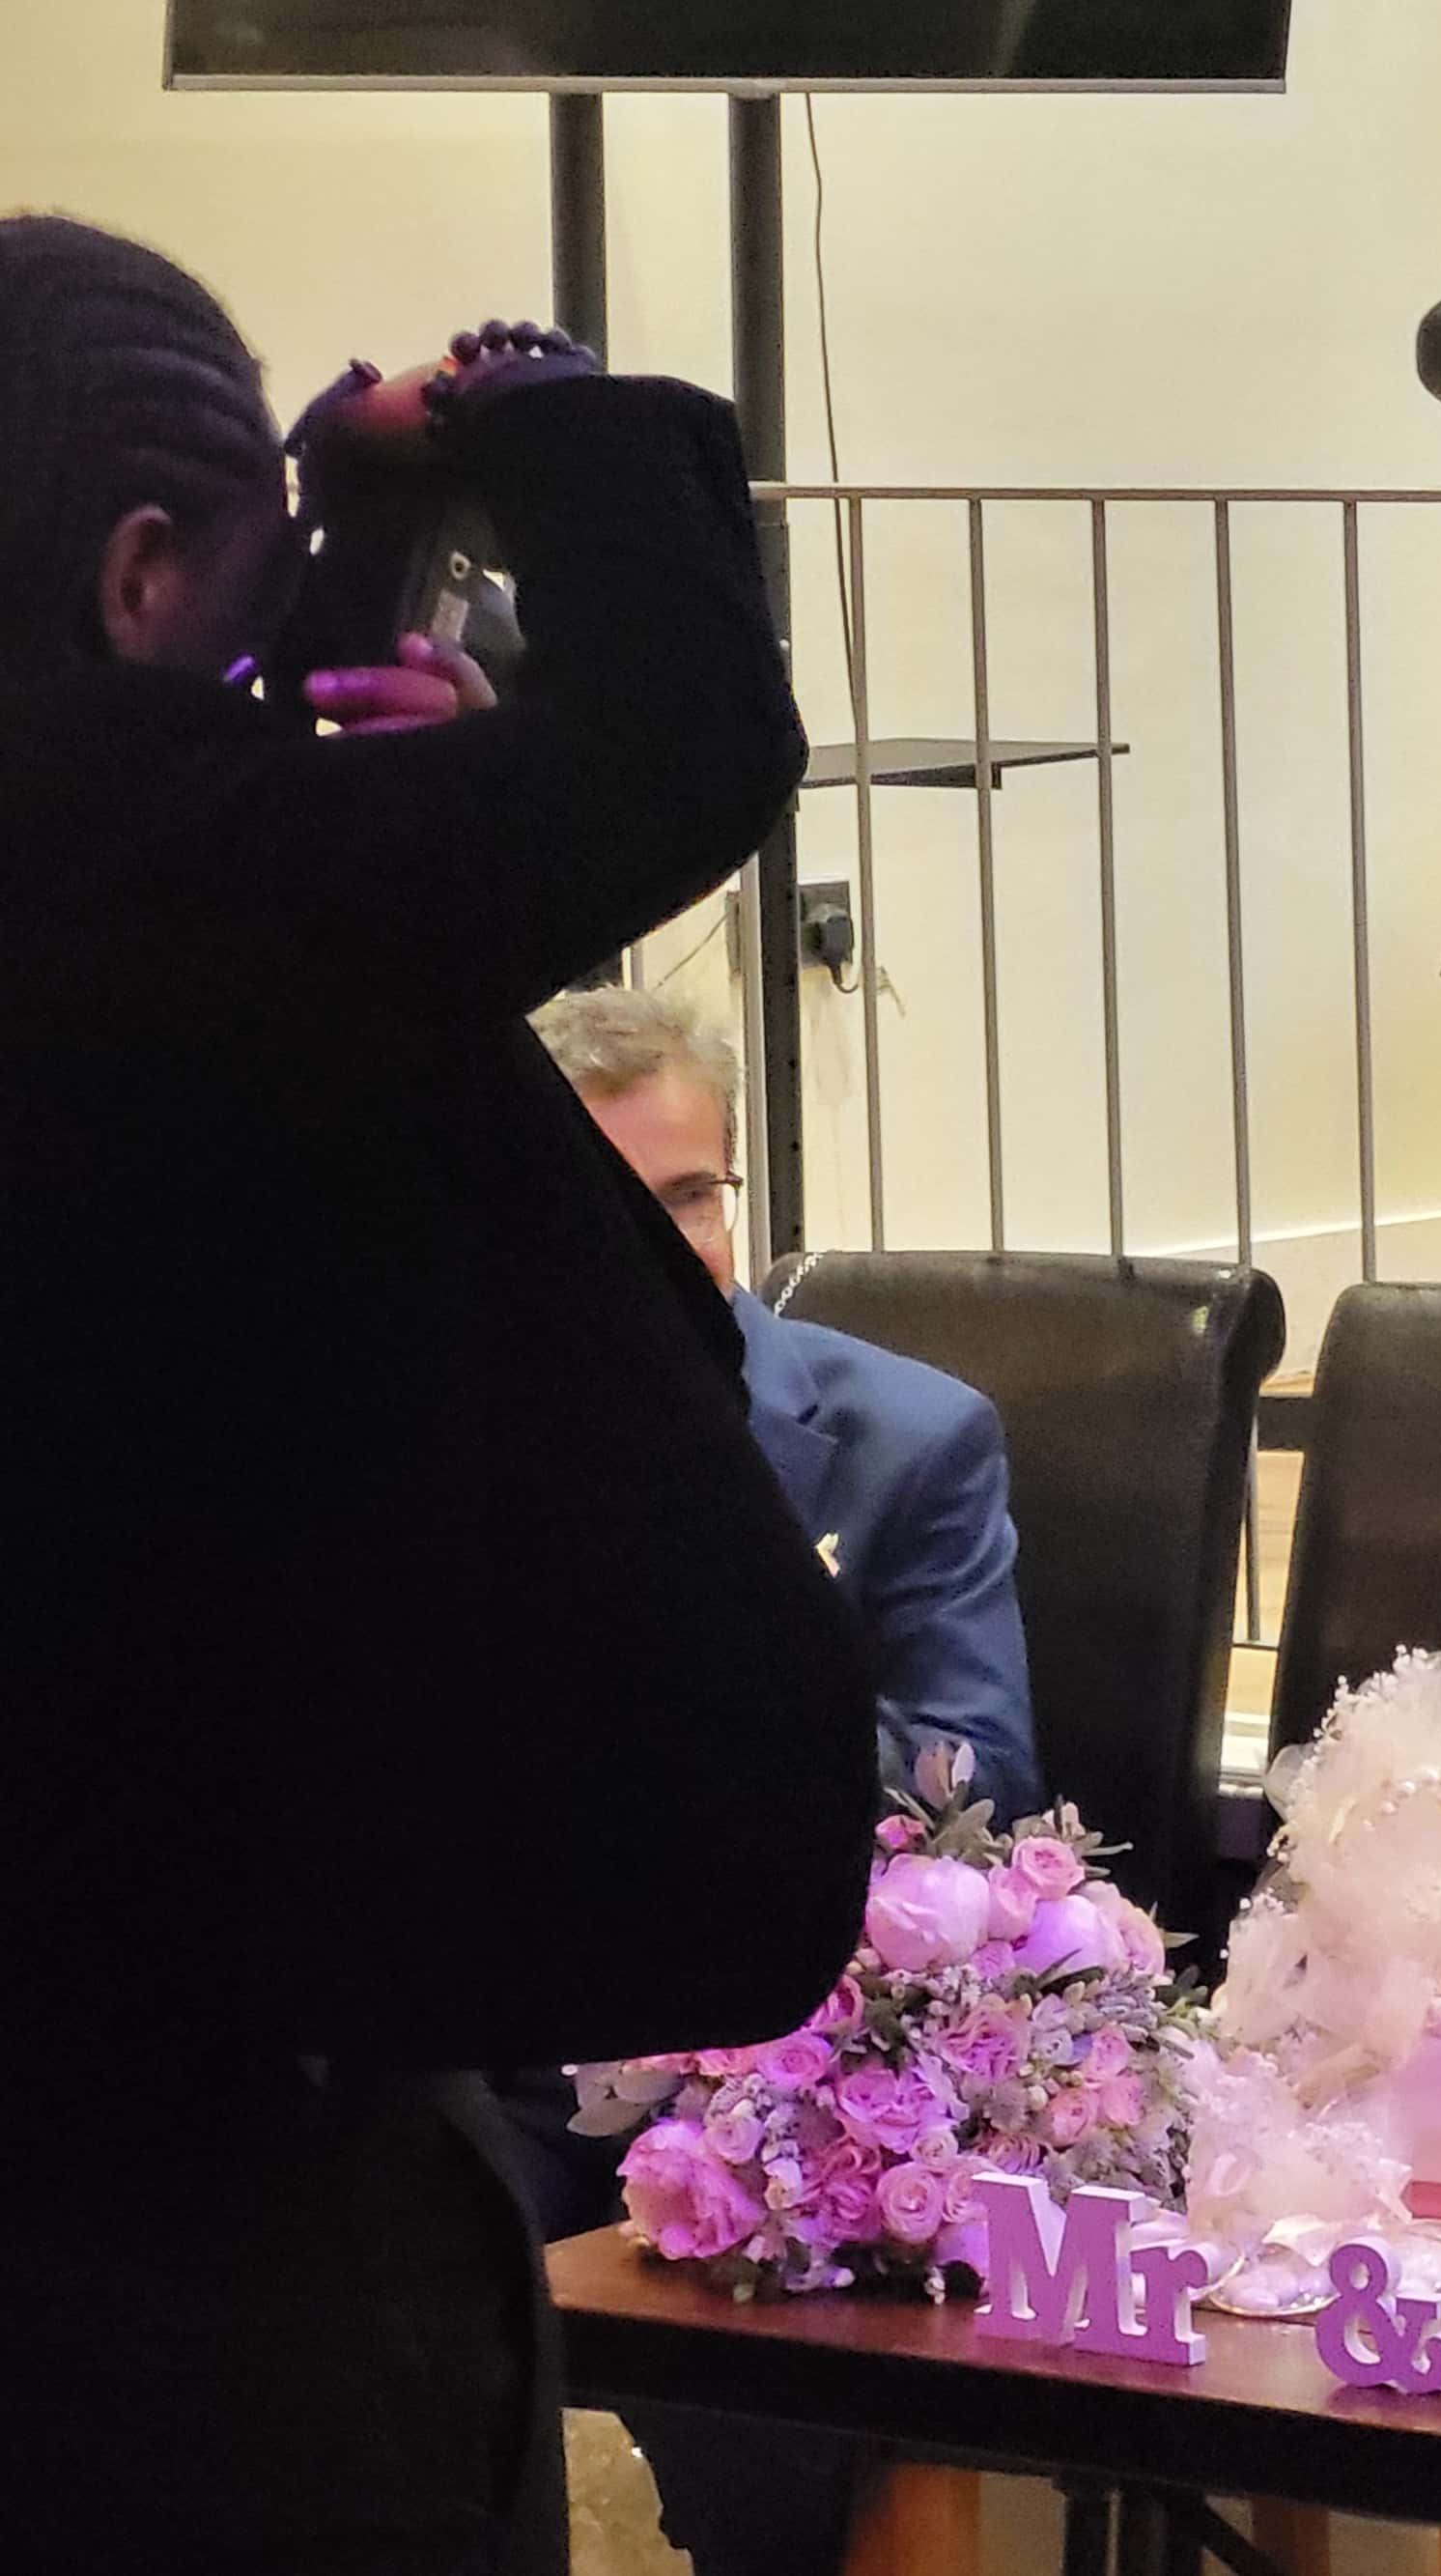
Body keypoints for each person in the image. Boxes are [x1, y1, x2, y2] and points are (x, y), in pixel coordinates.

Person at [0, 219, 877, 2571]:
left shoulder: (190, 906)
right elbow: (685, 734)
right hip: (197, 2216)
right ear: (135, 568)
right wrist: (533, 426)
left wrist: (328, 590)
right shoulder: (171, 880)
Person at [535, 986, 1041, 1813]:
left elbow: (988, 1773)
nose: (657, 1249)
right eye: (603, 1206)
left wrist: (726, 1677)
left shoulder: (918, 1441)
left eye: (691, 1197)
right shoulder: (448, 1425)